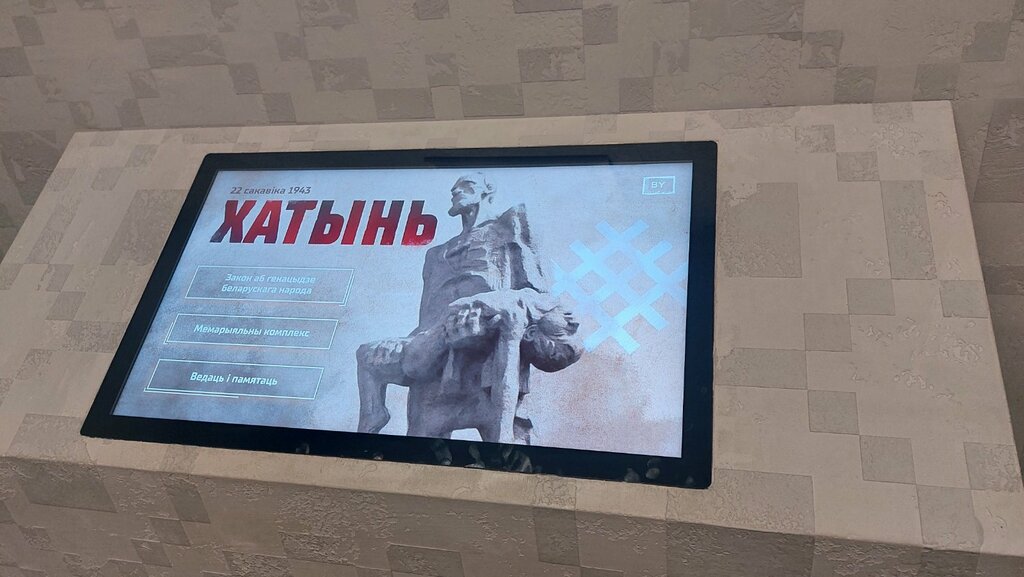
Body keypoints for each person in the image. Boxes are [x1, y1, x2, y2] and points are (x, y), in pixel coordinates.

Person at [356, 172, 582, 443]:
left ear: (487, 192)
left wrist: (496, 312)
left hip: (488, 355)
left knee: (507, 449)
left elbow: (537, 295)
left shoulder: (512, 229)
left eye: (466, 185)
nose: (456, 190)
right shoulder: (435, 255)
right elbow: (428, 310)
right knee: (419, 443)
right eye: (455, 187)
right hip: (437, 359)